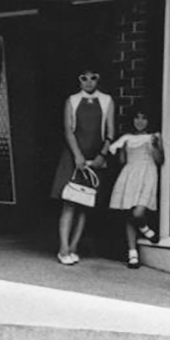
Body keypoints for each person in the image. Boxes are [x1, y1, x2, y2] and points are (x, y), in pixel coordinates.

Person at [50, 67, 115, 265]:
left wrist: (102, 155)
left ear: (98, 80)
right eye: (84, 78)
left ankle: (74, 247)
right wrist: (77, 155)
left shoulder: (107, 100)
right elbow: (68, 130)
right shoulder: (71, 100)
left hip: (95, 157)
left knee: (85, 203)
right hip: (73, 156)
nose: (89, 82)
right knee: (70, 201)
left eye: (93, 78)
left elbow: (111, 131)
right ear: (79, 80)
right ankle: (63, 248)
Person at [109, 109, 164, 268]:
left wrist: (154, 146)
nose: (140, 122)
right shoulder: (127, 138)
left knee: (138, 212)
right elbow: (122, 161)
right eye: (137, 118)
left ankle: (145, 229)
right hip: (130, 175)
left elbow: (160, 160)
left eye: (144, 118)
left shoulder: (155, 136)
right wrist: (121, 151)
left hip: (148, 174)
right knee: (129, 212)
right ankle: (132, 253)